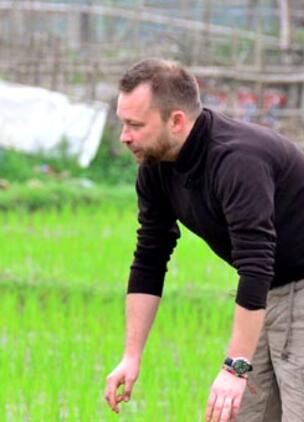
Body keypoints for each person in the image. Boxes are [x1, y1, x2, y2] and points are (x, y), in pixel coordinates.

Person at [104, 58, 304, 422]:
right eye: (123, 123)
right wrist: (131, 356)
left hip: (295, 287)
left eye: (135, 124)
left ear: (176, 121)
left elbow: (256, 262)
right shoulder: (155, 166)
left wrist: (235, 368)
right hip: (266, 294)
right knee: (240, 415)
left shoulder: (237, 160)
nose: (124, 136)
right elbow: (150, 255)